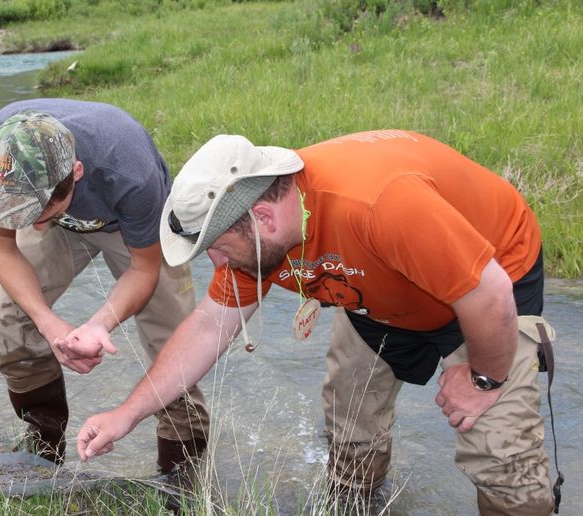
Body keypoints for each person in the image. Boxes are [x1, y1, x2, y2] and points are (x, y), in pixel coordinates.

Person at [76, 130, 559, 515]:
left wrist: (483, 378)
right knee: (350, 430)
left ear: (262, 217)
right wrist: (127, 414)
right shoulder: (254, 244)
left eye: (217, 248)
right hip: (376, 297)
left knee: (503, 459)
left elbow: (488, 291)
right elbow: (207, 327)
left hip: (489, 286)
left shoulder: (380, 205)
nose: (217, 265)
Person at [0, 99, 210, 473]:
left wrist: (99, 324)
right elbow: (4, 250)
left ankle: (182, 472)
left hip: (132, 228)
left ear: (76, 172)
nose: (35, 227)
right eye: (23, 214)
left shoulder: (128, 169)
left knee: (173, 343)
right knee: (3, 309)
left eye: (41, 214)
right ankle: (44, 448)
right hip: (67, 220)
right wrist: (48, 322)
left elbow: (144, 270)